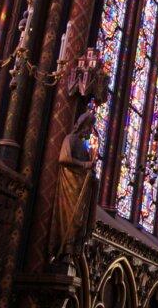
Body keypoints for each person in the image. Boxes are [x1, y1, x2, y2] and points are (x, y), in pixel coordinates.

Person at [50, 111, 98, 262]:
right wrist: (85, 165)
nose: (90, 131)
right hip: (70, 185)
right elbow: (64, 158)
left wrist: (91, 172)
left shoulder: (84, 146)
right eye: (90, 127)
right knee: (72, 216)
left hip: (80, 186)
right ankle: (65, 248)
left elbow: (86, 167)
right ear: (83, 126)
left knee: (79, 219)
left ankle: (72, 250)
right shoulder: (70, 139)